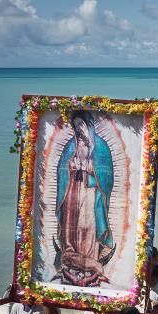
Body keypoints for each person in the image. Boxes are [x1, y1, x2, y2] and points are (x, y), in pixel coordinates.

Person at [55, 110, 115, 287]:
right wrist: (71, 167)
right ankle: (71, 252)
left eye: (81, 124)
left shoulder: (101, 146)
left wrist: (91, 169)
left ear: (89, 125)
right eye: (76, 125)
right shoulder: (70, 146)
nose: (79, 128)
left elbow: (107, 174)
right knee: (71, 221)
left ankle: (89, 256)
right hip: (73, 188)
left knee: (87, 222)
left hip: (90, 191)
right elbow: (61, 170)